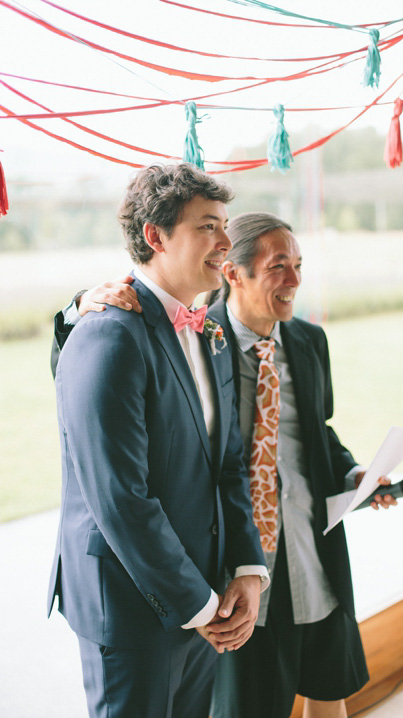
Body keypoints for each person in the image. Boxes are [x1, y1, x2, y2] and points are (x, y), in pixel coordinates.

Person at [54, 211, 396, 718]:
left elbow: (315, 431)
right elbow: (97, 376)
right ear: (235, 273)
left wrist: (352, 474)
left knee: (327, 688)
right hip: (223, 570)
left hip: (306, 548)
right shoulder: (191, 333)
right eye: (280, 265)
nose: (295, 280)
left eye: (299, 264)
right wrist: (77, 307)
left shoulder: (307, 342)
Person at [49, 163, 268, 718]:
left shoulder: (212, 332)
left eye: (225, 226)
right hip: (130, 604)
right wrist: (197, 603)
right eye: (207, 227)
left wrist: (245, 567)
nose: (226, 243)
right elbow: (121, 499)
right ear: (155, 236)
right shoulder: (106, 334)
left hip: (204, 596)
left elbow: (228, 464)